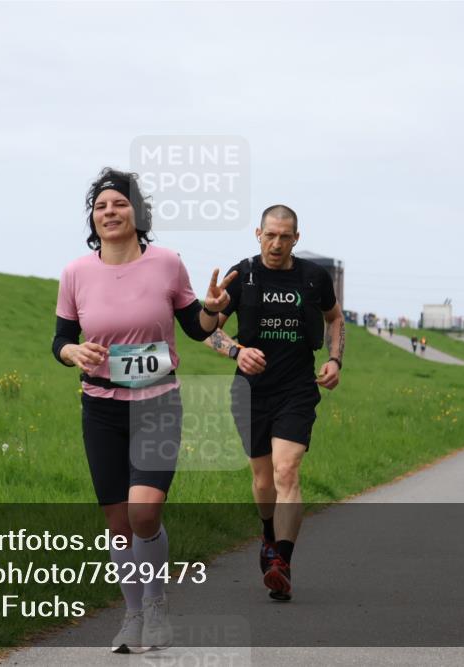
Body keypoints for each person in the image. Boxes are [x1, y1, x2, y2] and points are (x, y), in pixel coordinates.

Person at [52, 167, 233, 653]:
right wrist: (73, 354)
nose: (109, 212)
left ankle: (156, 604)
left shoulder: (167, 263)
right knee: (117, 523)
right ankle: (132, 616)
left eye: (119, 204)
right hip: (100, 406)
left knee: (144, 511)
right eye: (101, 206)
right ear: (93, 219)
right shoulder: (75, 273)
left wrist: (214, 309)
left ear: (138, 213)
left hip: (156, 400)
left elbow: (196, 328)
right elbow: (61, 340)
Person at [202, 204, 343, 602]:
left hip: (297, 389)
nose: (277, 243)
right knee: (263, 480)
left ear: (297, 238)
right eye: (270, 235)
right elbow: (209, 331)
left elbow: (334, 318)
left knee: (287, 470)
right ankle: (267, 534)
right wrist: (235, 352)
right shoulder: (241, 275)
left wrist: (334, 359)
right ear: (257, 234)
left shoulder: (314, 278)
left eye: (285, 236)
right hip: (250, 390)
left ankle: (282, 562)